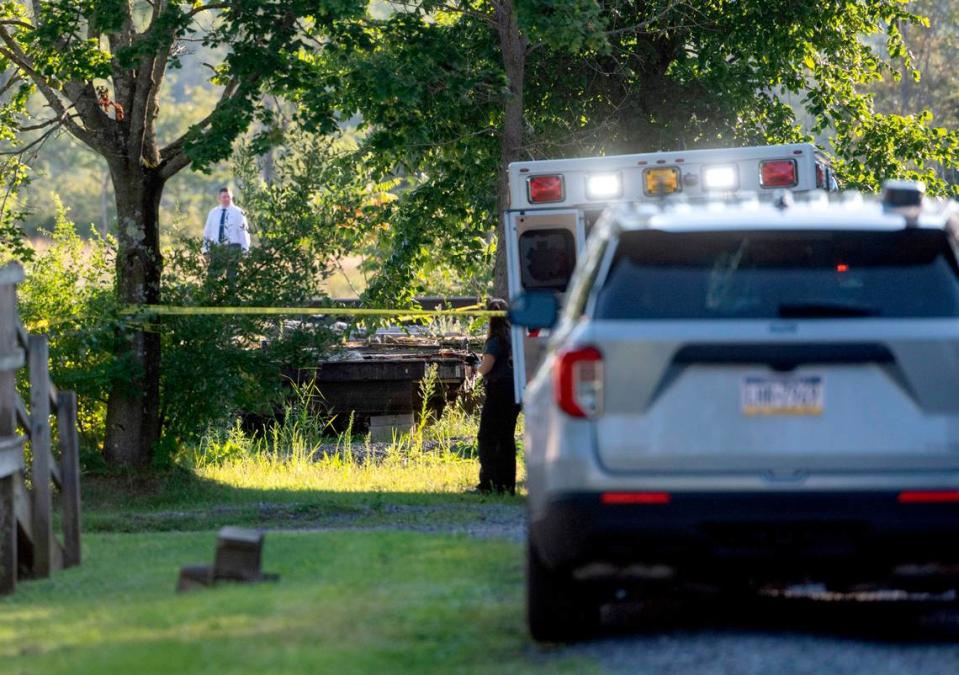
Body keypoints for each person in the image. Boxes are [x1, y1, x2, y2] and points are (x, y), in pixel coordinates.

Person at [474, 298, 521, 494]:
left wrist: (476, 368)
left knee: (487, 437)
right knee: (506, 438)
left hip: (498, 390)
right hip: (514, 391)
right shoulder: (513, 337)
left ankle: (489, 482)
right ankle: (507, 483)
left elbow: (487, 367)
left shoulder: (495, 340)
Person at [202, 187, 250, 275]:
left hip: (233, 248)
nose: (227, 199)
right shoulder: (213, 212)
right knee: (213, 276)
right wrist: (205, 249)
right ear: (219, 198)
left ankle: (232, 289)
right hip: (217, 248)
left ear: (232, 197)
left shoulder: (238, 212)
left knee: (232, 277)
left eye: (229, 197)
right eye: (224, 197)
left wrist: (245, 251)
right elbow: (207, 232)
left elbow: (244, 232)